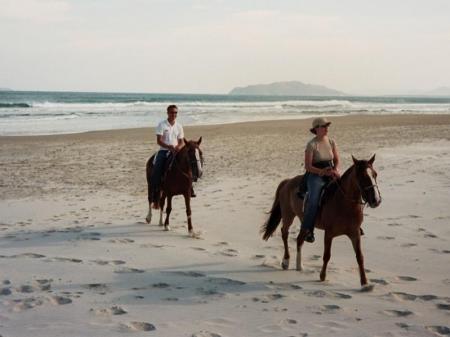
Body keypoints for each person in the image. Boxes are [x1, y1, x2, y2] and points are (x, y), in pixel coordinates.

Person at [301, 117, 341, 243]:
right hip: (315, 174)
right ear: (316, 129)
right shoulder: (311, 144)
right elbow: (308, 166)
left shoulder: (331, 141)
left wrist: (335, 169)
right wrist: (321, 172)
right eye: (324, 126)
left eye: (327, 126)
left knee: (345, 189)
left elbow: (336, 159)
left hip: (331, 171)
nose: (326, 128)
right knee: (313, 201)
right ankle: (308, 229)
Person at [150, 105, 186, 208]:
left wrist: (178, 147)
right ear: (167, 113)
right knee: (157, 171)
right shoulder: (162, 125)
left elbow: (182, 141)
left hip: (176, 151)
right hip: (164, 151)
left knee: (187, 165)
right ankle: (155, 196)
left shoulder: (179, 126)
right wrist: (168, 147)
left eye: (175, 113)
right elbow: (159, 141)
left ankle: (190, 188)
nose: (173, 114)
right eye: (171, 112)